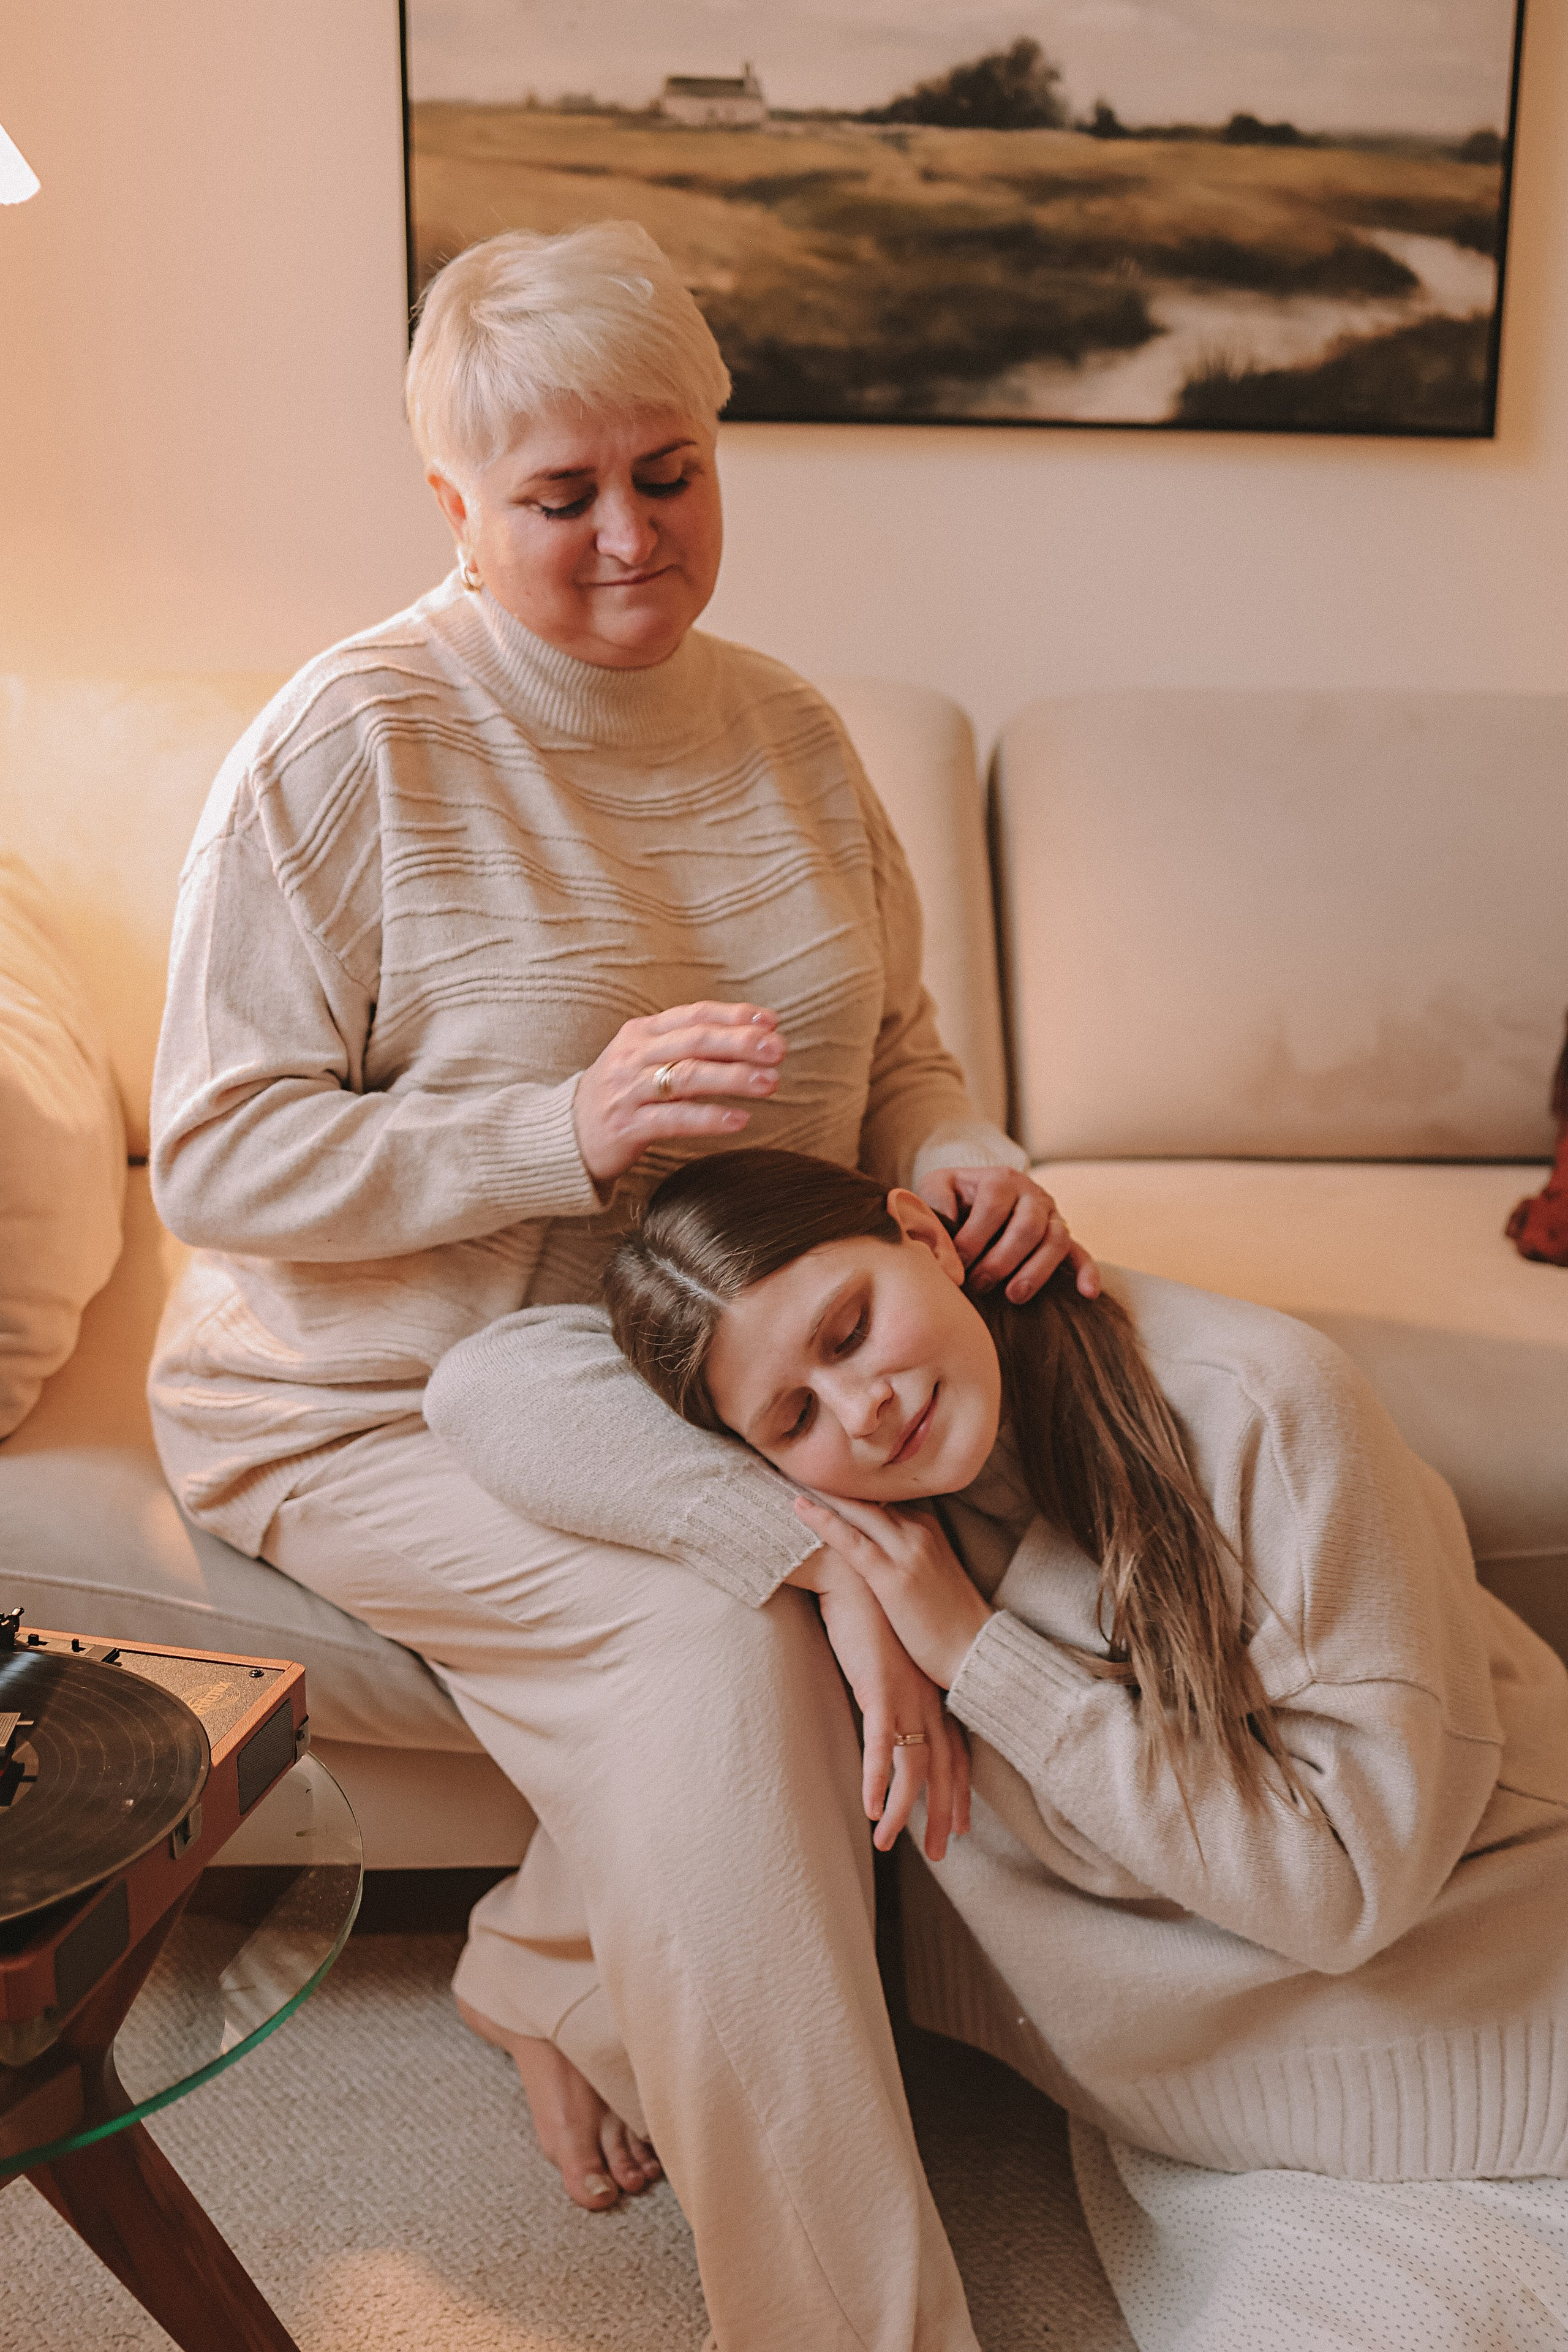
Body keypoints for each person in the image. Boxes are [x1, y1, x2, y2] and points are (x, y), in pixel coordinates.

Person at [149, 219, 1094, 2350]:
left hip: (686, 1377)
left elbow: (911, 1051)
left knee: (1066, 1489)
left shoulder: (792, 731)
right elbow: (214, 1159)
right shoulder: (350, 742)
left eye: (667, 472)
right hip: (374, 1398)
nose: (628, 536)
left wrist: (958, 1155)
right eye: (559, 494)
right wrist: (549, 1138)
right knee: (733, 1656)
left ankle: (537, 1967)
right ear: (455, 505)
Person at [596, 1146, 1568, 2352]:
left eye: (849, 1331)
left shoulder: (1256, 1403)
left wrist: (974, 1653)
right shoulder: (856, 1520)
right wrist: (831, 1577)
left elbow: (1342, 1898)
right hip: (1220, 2094)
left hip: (1482, 1992)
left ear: (923, 1232)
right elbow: (480, 1392)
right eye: (792, 1415)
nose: (865, 1410)